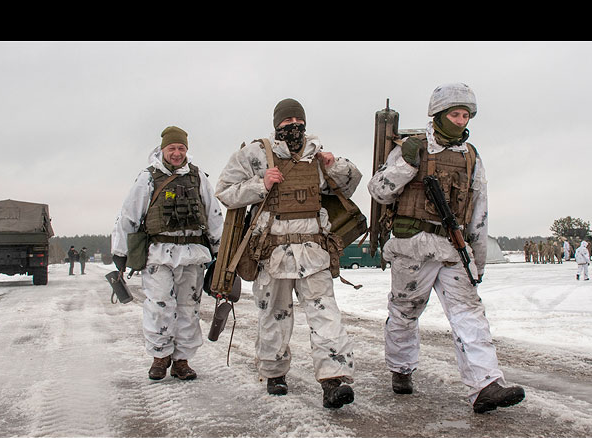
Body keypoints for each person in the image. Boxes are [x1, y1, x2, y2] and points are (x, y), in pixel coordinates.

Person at [367, 82, 525, 414]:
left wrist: (476, 260)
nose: (461, 121)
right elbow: (379, 191)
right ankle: (401, 368)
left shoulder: (471, 157)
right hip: (412, 246)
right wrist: (406, 166)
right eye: (455, 113)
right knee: (405, 313)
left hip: (453, 247)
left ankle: (485, 384)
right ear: (438, 114)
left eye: (466, 115)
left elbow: (478, 212)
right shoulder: (413, 148)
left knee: (470, 314)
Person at [215, 98, 361, 409]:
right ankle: (274, 373)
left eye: (298, 119)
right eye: (286, 120)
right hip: (272, 254)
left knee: (326, 316)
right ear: (276, 123)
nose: (293, 125)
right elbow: (225, 192)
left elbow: (349, 187)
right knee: (274, 317)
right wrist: (260, 184)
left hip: (314, 254)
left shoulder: (316, 155)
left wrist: (337, 166)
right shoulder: (256, 154)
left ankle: (333, 380)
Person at [111, 126, 223, 381]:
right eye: (172, 148)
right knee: (159, 305)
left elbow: (214, 215)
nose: (177, 153)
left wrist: (220, 252)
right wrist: (119, 253)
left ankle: (182, 360)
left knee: (189, 308)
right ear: (163, 149)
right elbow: (128, 215)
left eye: (181, 148)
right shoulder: (148, 178)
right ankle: (160, 357)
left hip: (193, 253)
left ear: (186, 150)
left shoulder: (197, 177)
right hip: (159, 253)